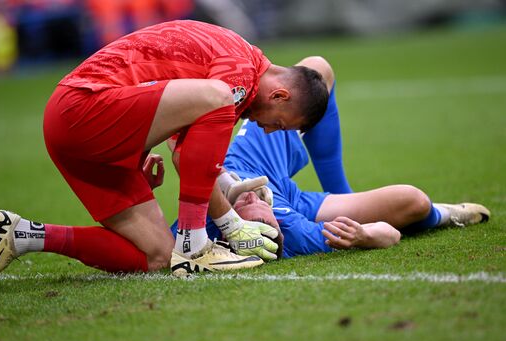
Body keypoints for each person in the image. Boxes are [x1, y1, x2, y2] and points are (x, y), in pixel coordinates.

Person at [0, 20, 330, 289]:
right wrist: (231, 225)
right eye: (279, 125)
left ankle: (20, 234)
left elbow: (185, 148)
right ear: (280, 96)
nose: (269, 131)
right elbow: (186, 153)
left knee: (156, 256)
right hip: (81, 107)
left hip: (85, 129)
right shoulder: (238, 79)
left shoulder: (238, 70)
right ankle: (195, 247)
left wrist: (137, 151)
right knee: (219, 96)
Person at [200, 56, 490, 256]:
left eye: (245, 207)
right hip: (289, 196)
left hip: (250, 157)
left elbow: (159, 251)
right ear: (277, 229)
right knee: (413, 201)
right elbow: (388, 234)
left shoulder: (206, 220)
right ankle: (447, 215)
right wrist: (363, 236)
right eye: (261, 218)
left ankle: (338, 191)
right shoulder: (294, 231)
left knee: (317, 68)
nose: (252, 197)